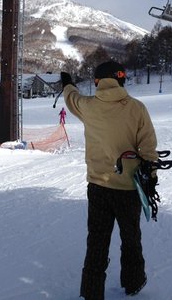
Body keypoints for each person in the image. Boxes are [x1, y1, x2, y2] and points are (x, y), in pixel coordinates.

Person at [61, 61, 158, 300]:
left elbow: (71, 99)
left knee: (97, 242)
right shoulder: (137, 108)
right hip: (128, 188)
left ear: (97, 82)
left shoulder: (88, 107)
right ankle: (133, 284)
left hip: (98, 188)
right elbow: (148, 148)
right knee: (131, 238)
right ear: (120, 79)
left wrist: (67, 84)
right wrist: (151, 178)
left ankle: (92, 293)